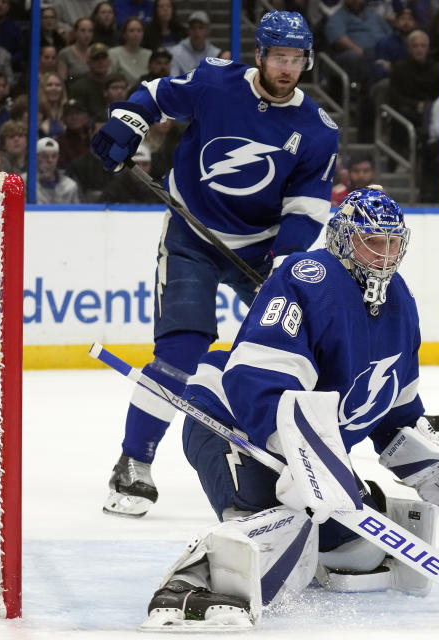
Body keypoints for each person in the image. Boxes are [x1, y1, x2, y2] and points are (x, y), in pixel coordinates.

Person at [140, 187, 439, 628]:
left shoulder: (399, 299)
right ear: (344, 239)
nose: (384, 255)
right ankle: (191, 583)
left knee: (357, 550)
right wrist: (304, 462)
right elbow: (260, 379)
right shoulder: (310, 276)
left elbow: (394, 410)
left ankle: (329, 516)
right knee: (277, 521)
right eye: (372, 241)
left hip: (304, 446)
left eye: (392, 243)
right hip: (232, 424)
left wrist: (430, 467)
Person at [90, 11, 340, 518]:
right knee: (181, 350)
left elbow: (308, 207)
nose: (287, 68)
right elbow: (157, 93)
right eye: (279, 57)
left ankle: (314, 464)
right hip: (192, 236)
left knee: (301, 351)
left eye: (296, 59)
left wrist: (285, 260)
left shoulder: (316, 130)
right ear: (262, 56)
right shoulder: (216, 81)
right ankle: (134, 461)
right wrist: (128, 120)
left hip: (262, 250)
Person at [168, 11, 220, 76]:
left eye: (200, 28)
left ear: (208, 31)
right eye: (193, 28)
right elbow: (173, 79)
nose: (196, 31)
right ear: (188, 31)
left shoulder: (215, 54)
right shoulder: (176, 52)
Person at [35, 137, 81, 204]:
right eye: (45, 156)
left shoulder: (70, 186)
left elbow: (78, 212)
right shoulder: (25, 183)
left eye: (54, 156)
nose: (50, 160)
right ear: (36, 158)